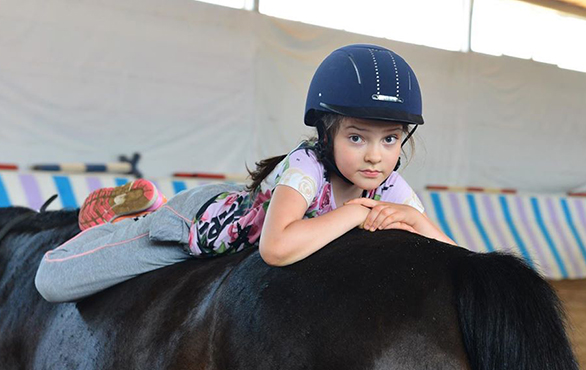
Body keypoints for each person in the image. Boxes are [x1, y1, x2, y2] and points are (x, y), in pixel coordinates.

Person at [34, 44, 456, 303]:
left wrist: (417, 221)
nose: (375, 158)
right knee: (55, 280)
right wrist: (357, 214)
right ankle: (141, 215)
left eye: (390, 139)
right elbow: (276, 248)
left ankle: (148, 207)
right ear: (326, 133)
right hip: (200, 227)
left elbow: (458, 260)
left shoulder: (388, 184)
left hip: (250, 208)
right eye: (358, 138)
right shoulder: (306, 167)